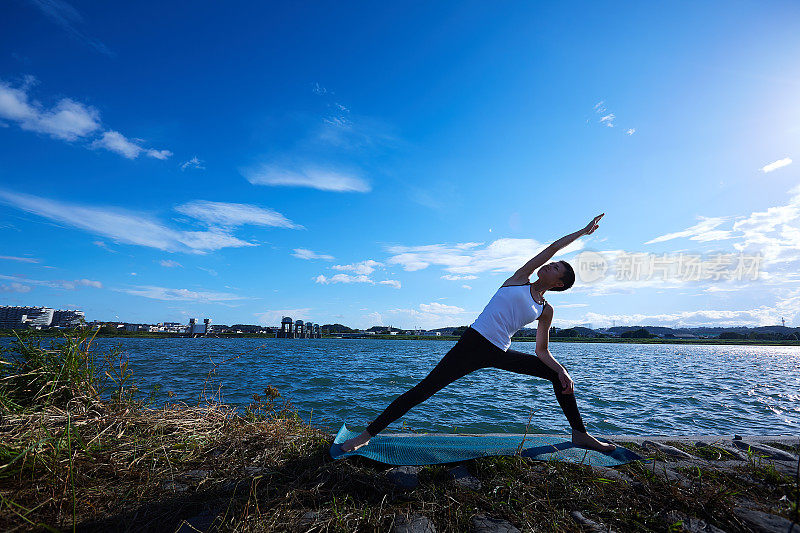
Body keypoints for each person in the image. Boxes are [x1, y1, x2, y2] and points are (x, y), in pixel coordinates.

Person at [340, 213, 616, 454]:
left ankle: (579, 434)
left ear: (557, 283)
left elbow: (541, 351)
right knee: (424, 390)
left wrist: (562, 370)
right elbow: (552, 247)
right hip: (472, 344)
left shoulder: (545, 310)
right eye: (553, 263)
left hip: (500, 352)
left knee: (559, 376)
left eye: (555, 268)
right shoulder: (519, 279)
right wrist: (582, 232)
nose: (550, 264)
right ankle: (365, 436)